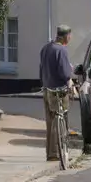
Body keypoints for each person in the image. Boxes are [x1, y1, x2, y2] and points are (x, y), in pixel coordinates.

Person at [38, 26, 76, 162]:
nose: (70, 38)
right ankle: (58, 152)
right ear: (66, 36)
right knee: (60, 119)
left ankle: (50, 152)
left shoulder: (46, 48)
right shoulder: (62, 50)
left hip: (47, 88)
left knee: (50, 121)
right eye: (70, 36)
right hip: (59, 90)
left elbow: (41, 68)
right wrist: (70, 75)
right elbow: (65, 73)